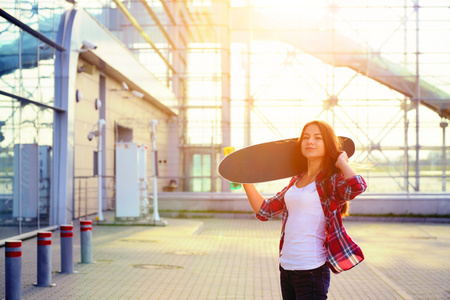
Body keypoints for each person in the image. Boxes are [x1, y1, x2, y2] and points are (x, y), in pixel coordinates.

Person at [243, 120, 367, 300]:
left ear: (328, 145)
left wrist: (342, 163)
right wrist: (244, 179)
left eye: (318, 138)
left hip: (312, 270)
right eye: (306, 137)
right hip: (286, 268)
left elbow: (357, 187)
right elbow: (265, 211)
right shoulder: (296, 181)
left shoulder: (331, 181)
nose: (310, 141)